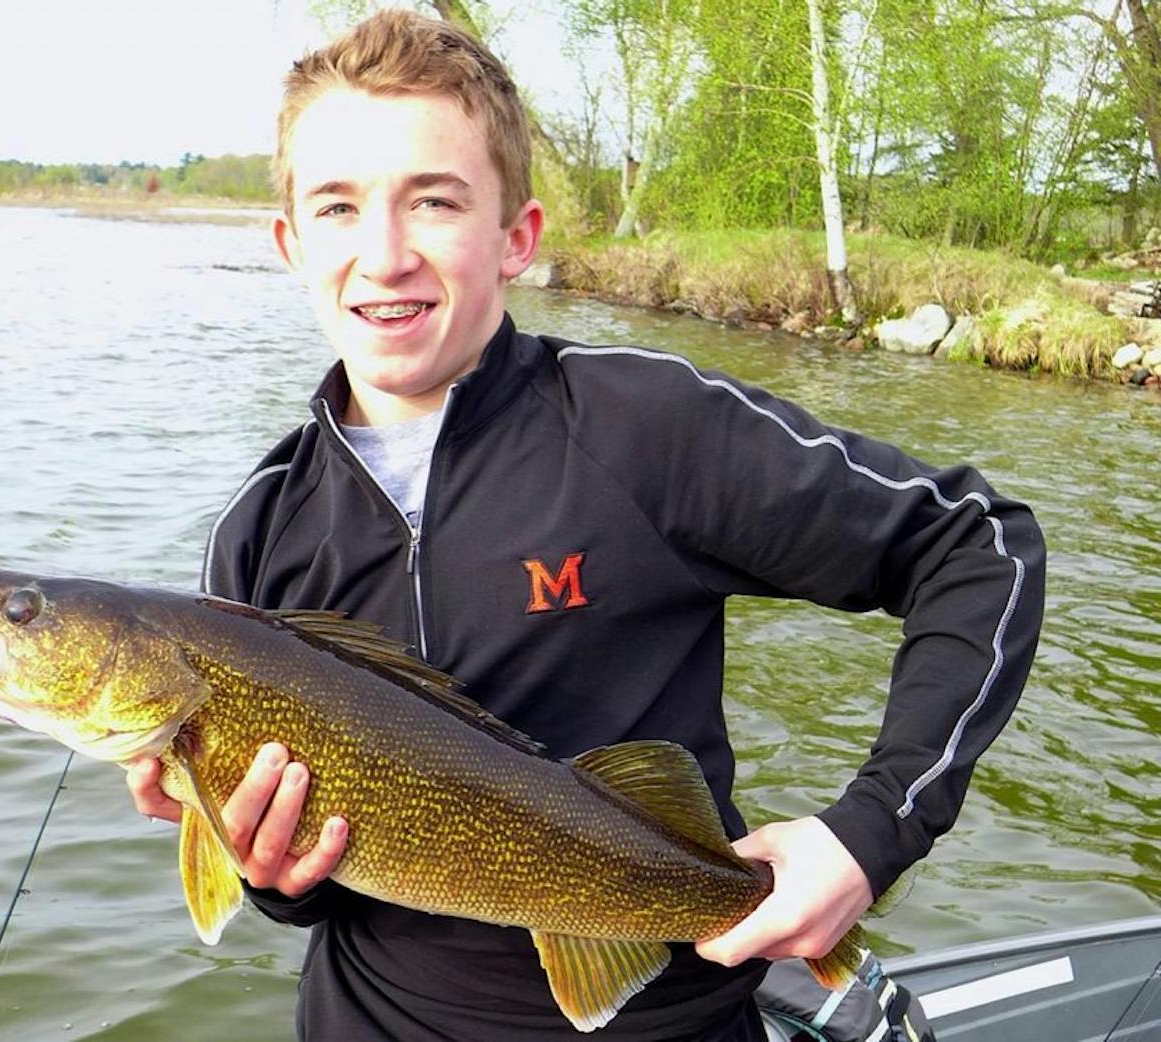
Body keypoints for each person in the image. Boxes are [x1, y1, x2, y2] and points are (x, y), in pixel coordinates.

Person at [128, 10, 1046, 1040]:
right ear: (291, 243)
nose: (383, 255)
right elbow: (299, 896)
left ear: (515, 236)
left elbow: (977, 544)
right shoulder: (256, 531)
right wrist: (273, 874)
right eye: (338, 207)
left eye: (432, 201)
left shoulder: (643, 428)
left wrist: (869, 830)